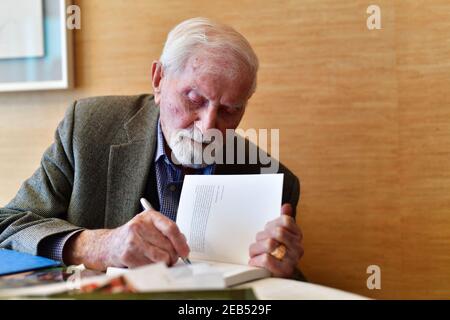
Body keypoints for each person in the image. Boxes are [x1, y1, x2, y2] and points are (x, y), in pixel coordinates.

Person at [0, 17, 304, 279]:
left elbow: (285, 287)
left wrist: (283, 268)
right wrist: (99, 246)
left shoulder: (273, 180)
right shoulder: (88, 129)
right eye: (194, 100)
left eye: (229, 110)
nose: (208, 127)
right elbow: (9, 224)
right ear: (159, 80)